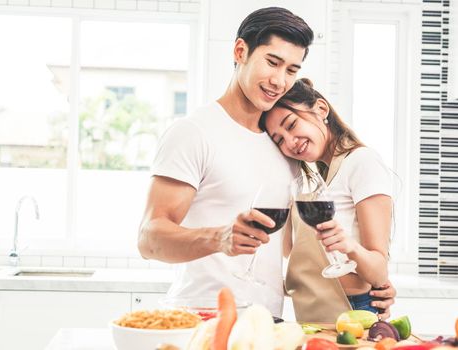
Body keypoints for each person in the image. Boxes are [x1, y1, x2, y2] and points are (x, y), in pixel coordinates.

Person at [138, 6, 395, 318]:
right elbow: (149, 239)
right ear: (240, 51)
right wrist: (218, 238)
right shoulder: (193, 132)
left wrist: (370, 285)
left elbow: (295, 249)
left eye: (291, 70)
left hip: (268, 322)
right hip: (202, 316)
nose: (279, 80)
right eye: (272, 62)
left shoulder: (286, 149)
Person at [261, 78, 394, 319]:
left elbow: (378, 273)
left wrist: (349, 245)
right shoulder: (312, 184)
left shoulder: (362, 162)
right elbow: (295, 260)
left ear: (321, 109)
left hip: (352, 311)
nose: (290, 142)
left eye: (291, 124)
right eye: (279, 139)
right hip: (312, 313)